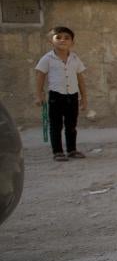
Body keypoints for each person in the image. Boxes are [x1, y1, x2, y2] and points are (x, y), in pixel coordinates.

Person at [34, 26, 88, 162]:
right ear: (51, 41)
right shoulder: (47, 58)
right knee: (56, 125)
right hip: (56, 97)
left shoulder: (75, 58)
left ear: (72, 42)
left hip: (72, 96)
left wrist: (84, 98)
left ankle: (72, 150)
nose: (62, 40)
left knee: (71, 125)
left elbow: (80, 79)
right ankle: (57, 151)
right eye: (58, 37)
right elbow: (40, 76)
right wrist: (39, 95)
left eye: (66, 38)